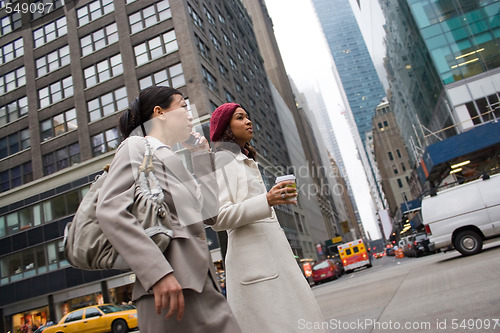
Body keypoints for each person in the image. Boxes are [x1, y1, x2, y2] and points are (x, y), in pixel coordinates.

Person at [96, 87, 241, 333]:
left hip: (200, 285)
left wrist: (200, 154)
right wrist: (157, 273)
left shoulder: (170, 157)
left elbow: (210, 214)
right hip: (168, 291)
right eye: (183, 106)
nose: (189, 114)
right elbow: (109, 210)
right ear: (159, 113)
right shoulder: (136, 147)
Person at [209, 103, 327, 332]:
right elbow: (219, 218)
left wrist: (273, 199)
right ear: (226, 128)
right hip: (257, 269)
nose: (249, 121)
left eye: (247, 116)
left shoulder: (243, 161)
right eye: (240, 118)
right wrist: (267, 200)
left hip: (272, 263)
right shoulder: (224, 161)